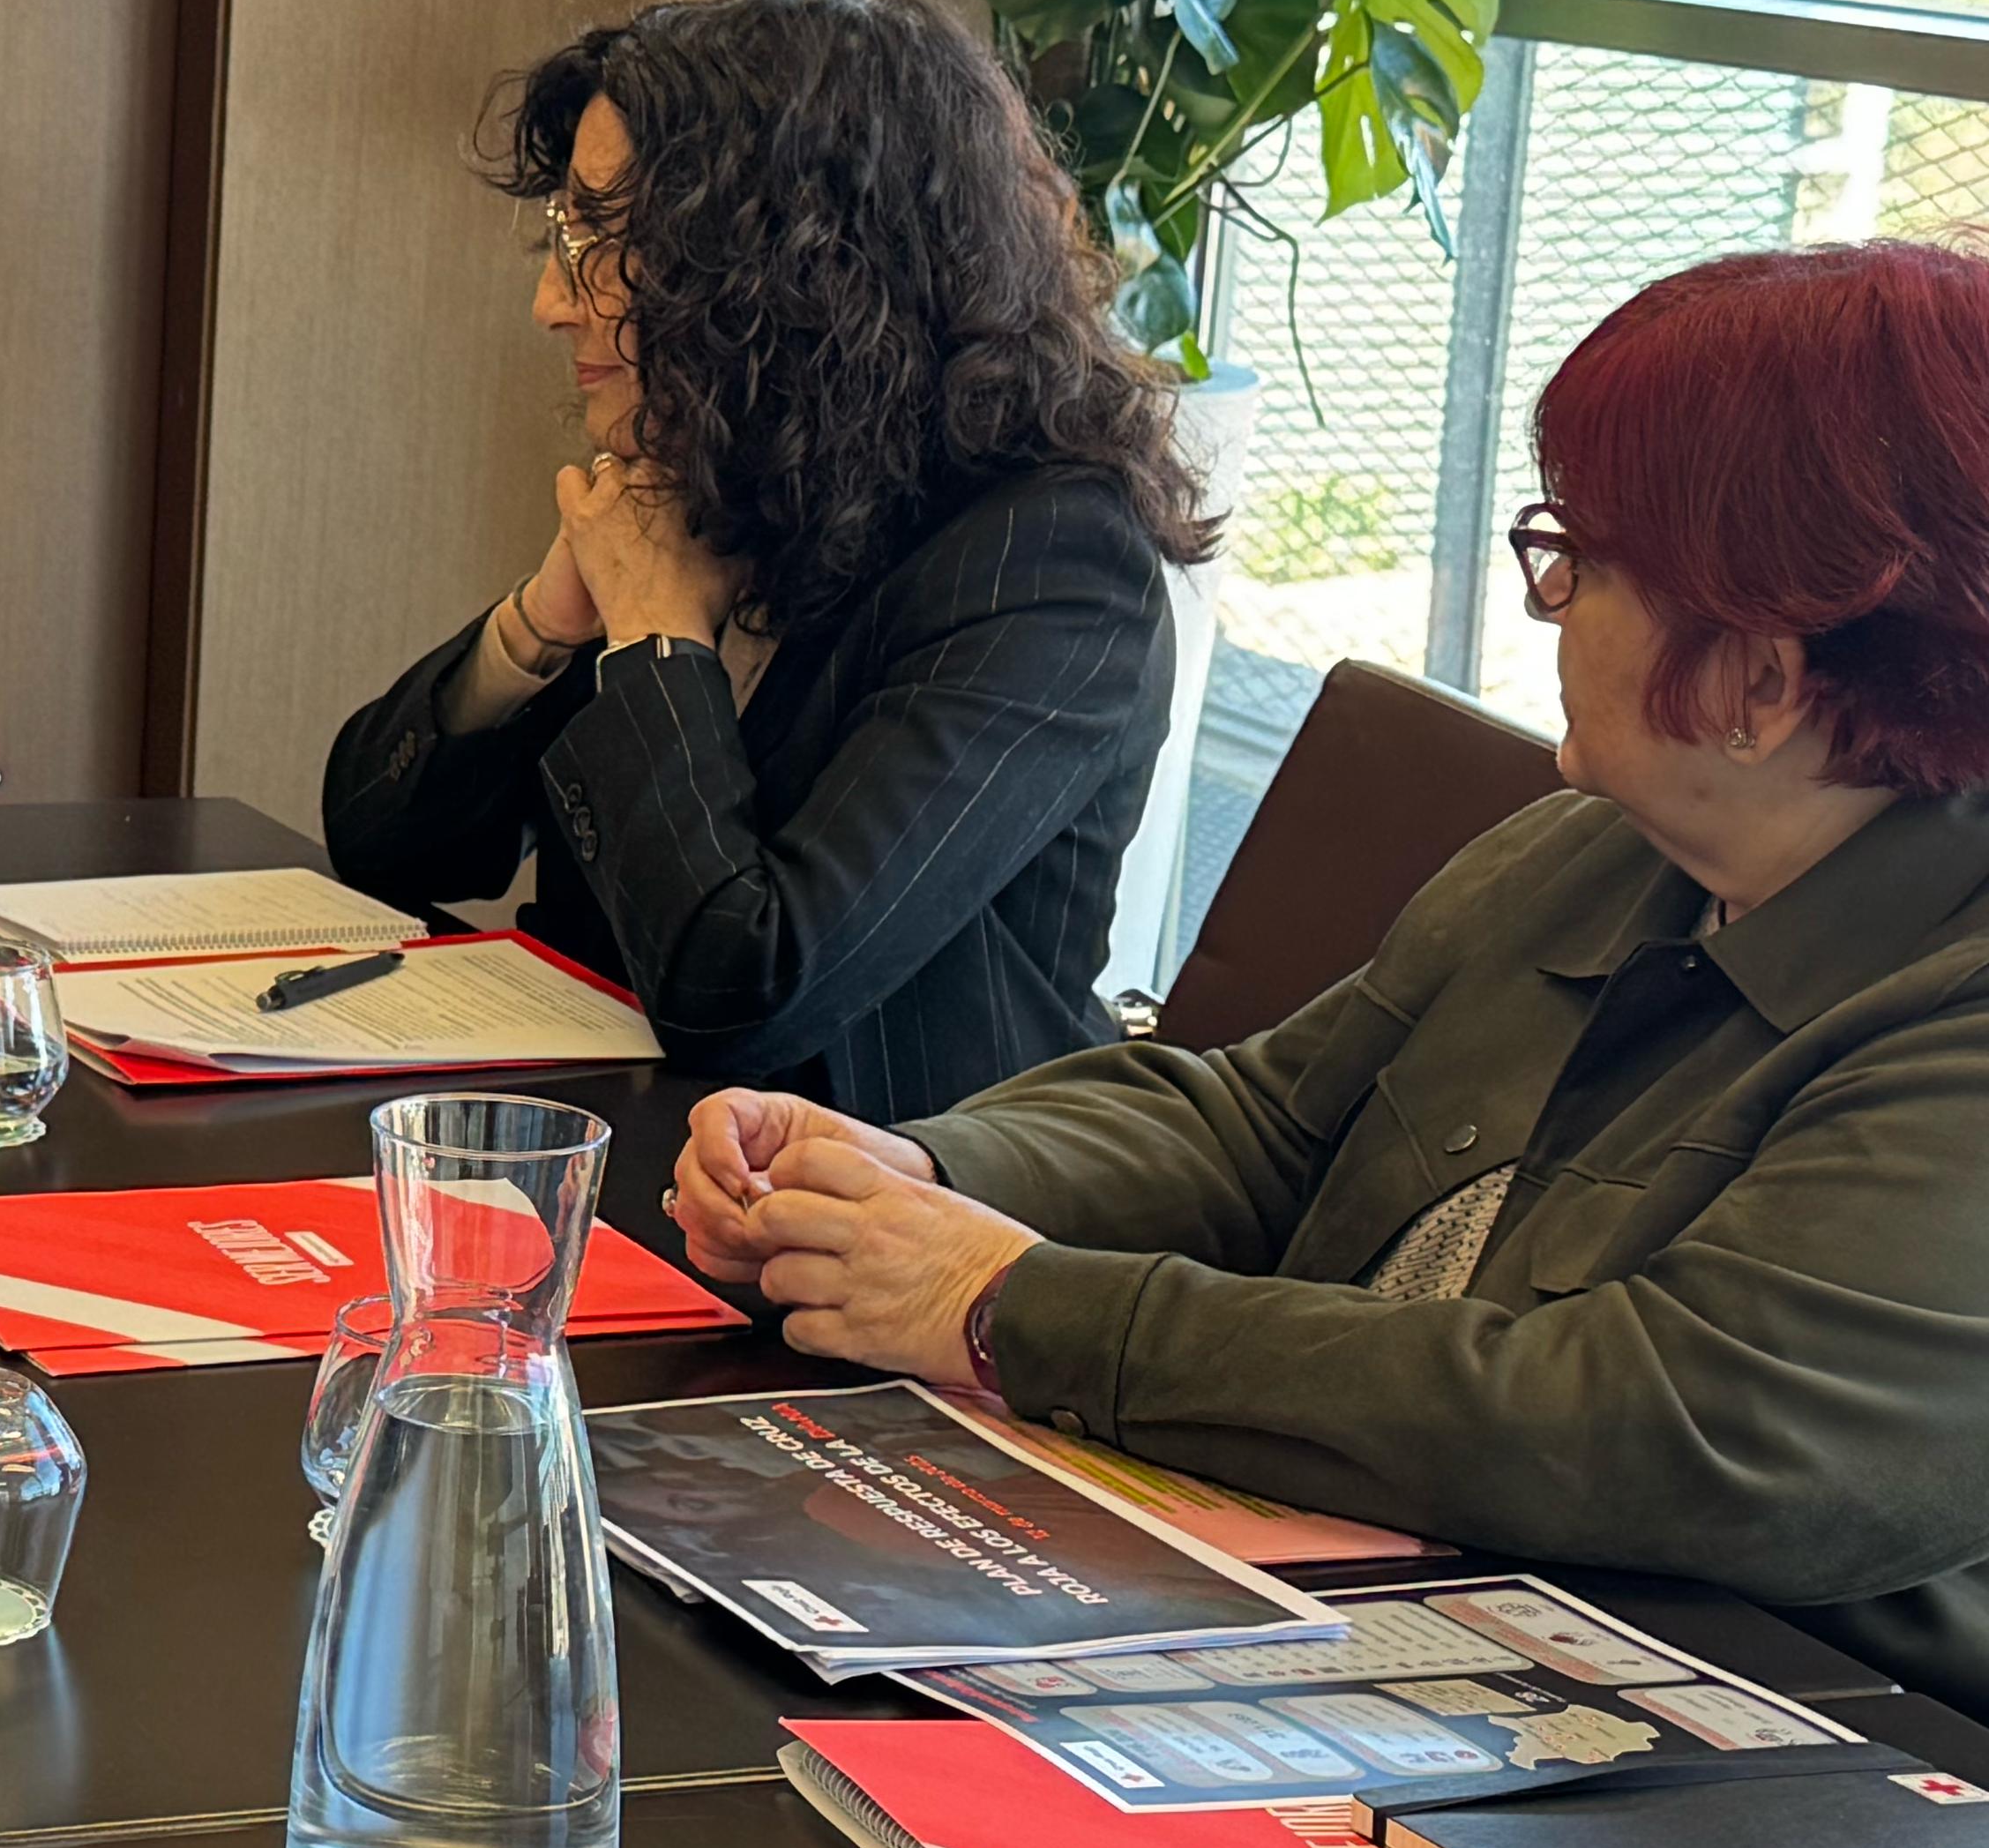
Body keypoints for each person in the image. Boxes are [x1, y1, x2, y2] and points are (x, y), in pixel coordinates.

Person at [674, 242, 1989, 1709]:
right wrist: (912, 1174)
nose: (1549, 608)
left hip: (1770, 1763)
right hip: (1379, 1616)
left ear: (1762, 676)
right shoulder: (1596, 850)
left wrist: (1016, 1307)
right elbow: (1260, 1125)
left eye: (1582, 561)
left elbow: (1661, 1424)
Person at [321, 0, 1214, 1123]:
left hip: (871, 1230)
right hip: (615, 1141)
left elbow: (746, 995)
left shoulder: (1047, 570)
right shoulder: (734, 465)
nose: (553, 302)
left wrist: (654, 639)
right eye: (566, 237)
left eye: (605, 240)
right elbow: (378, 841)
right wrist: (542, 626)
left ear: (790, 263)